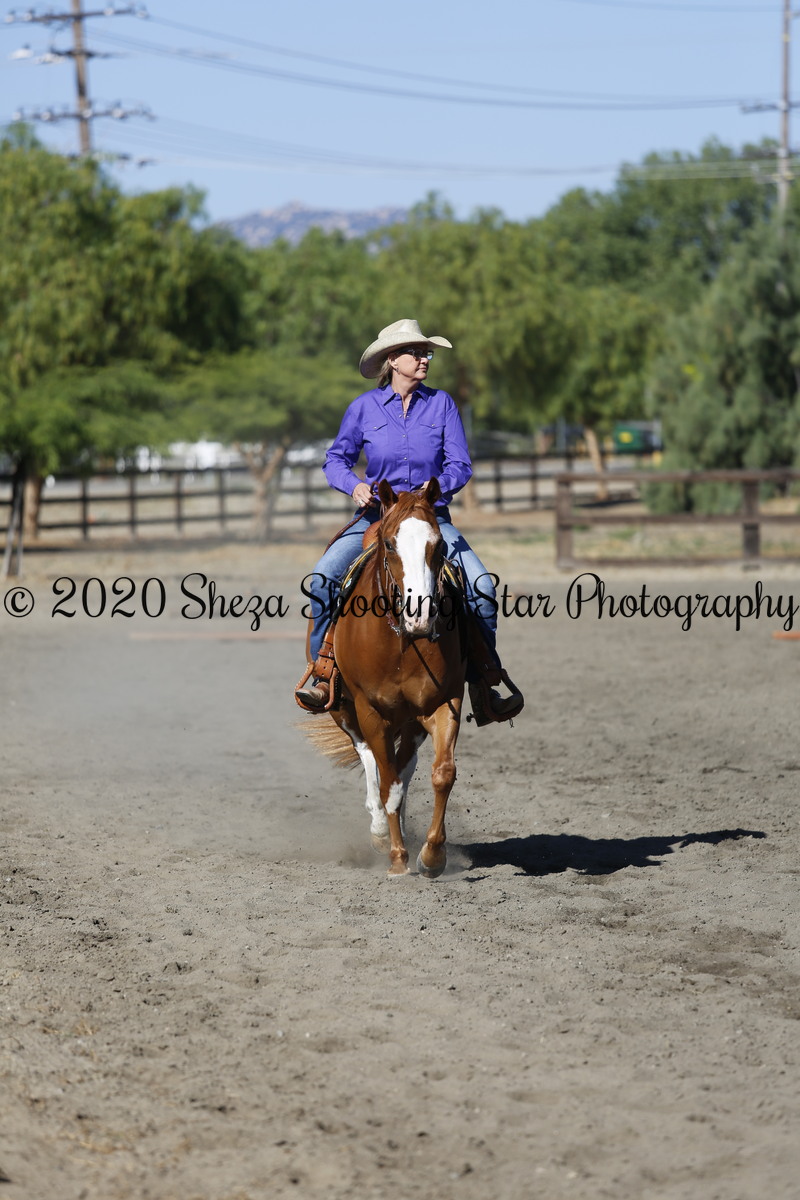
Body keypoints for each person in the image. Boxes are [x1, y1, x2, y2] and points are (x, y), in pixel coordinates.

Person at [294, 318, 523, 723]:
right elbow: (335, 460)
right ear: (392, 360)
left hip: (429, 519)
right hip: (377, 518)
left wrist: (436, 488)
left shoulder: (442, 404)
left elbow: (460, 464)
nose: (424, 359)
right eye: (415, 353)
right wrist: (354, 486)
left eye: (426, 353)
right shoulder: (363, 408)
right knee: (324, 579)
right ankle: (324, 674)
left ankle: (484, 683)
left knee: (482, 588)